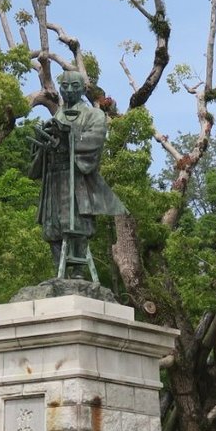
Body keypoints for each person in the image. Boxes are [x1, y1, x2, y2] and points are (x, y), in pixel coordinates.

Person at [29, 70, 127, 278]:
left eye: (75, 86)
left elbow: (96, 139)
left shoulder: (95, 114)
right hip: (54, 176)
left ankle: (78, 271)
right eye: (65, 86)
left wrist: (69, 138)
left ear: (83, 88)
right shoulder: (58, 115)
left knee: (77, 221)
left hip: (77, 176)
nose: (70, 90)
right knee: (52, 225)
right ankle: (59, 271)